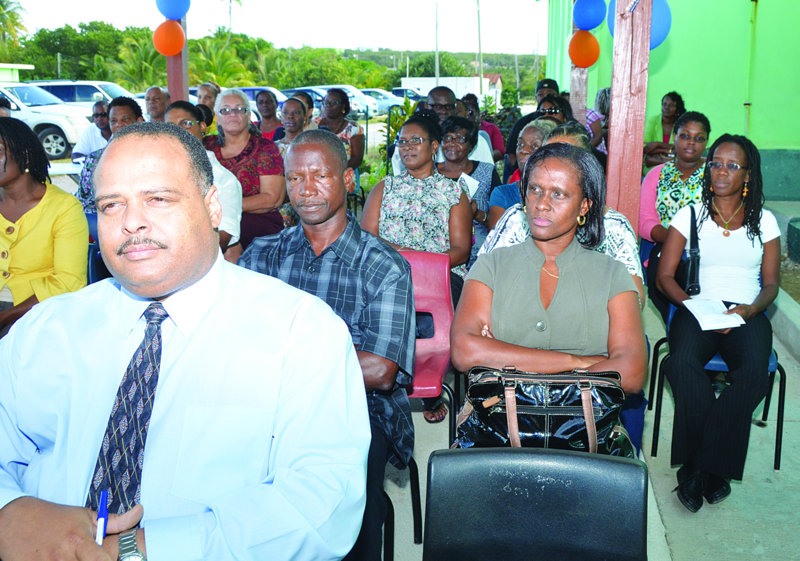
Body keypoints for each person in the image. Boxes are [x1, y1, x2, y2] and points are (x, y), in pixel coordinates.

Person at [0, 122, 371, 561]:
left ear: (213, 207)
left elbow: (321, 504)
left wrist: (132, 550)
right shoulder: (44, 330)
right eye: (111, 204)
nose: (132, 221)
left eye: (158, 198)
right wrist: (11, 513)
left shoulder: (299, 331)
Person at [240, 130, 415, 561]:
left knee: (345, 510)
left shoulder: (383, 265)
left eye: (320, 176)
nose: (306, 190)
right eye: (295, 178)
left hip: (354, 407)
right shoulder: (261, 257)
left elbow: (379, 370)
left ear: (349, 180)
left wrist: (280, 365)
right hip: (267, 404)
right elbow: (234, 344)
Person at [451, 142, 646, 400]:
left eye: (558, 194)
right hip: (500, 423)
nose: (542, 204)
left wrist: (500, 353)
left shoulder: (612, 274)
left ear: (585, 206)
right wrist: (580, 361)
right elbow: (465, 351)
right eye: (535, 189)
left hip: (582, 428)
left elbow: (631, 373)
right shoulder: (492, 265)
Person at [655, 134, 779, 513]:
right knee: (680, 364)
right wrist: (696, 307)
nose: (722, 170)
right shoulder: (690, 214)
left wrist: (749, 310)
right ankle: (713, 471)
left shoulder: (766, 221)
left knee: (755, 373)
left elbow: (771, 283)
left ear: (748, 175)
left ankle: (698, 468)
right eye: (717, 163)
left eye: (732, 165)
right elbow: (665, 277)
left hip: (747, 311)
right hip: (697, 306)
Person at [362, 113, 472, 424]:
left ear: (435, 146)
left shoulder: (454, 192)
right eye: (402, 141)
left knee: (420, 303)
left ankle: (425, 377)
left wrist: (420, 265)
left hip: (439, 277)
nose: (407, 147)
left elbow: (461, 250)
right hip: (389, 273)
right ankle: (387, 375)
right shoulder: (385, 187)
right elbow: (367, 237)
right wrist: (401, 261)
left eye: (416, 140)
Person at [0, 117, 87, 337]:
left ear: (25, 156)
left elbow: (69, 282)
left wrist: (4, 317)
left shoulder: (64, 208)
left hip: (36, 311)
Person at [639, 111, 711, 320]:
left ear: (706, 142)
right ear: (675, 137)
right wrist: (676, 240)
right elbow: (645, 222)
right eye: (685, 136)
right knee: (665, 283)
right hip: (665, 245)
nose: (691, 143)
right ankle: (681, 328)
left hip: (707, 248)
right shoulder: (656, 174)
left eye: (699, 138)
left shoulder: (715, 175)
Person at [203, 88, 285, 256]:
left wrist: (224, 207)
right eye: (225, 110)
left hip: (258, 224)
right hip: (210, 219)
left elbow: (272, 199)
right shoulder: (206, 146)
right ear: (217, 118)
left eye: (239, 109)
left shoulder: (265, 148)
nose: (232, 114)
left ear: (248, 116)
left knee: (229, 235)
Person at [165, 100, 242, 252]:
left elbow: (220, 241)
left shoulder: (224, 181)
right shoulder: (153, 171)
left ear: (202, 127)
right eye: (170, 127)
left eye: (186, 123)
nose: (178, 131)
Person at [436, 116, 501, 265]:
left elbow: (500, 222)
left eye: (460, 139)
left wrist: (477, 214)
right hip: (438, 249)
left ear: (471, 146)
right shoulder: (430, 173)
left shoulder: (487, 172)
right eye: (447, 138)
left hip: (480, 253)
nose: (452, 144)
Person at [76, 96, 144, 213]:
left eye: (125, 119)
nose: (119, 125)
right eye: (114, 121)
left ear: (139, 121)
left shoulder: (152, 157)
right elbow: (84, 201)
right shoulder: (95, 159)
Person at [488, 119, 557, 229]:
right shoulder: (503, 194)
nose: (523, 150)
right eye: (520, 144)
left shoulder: (559, 195)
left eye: (534, 146)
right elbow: (498, 241)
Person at [504, 78, 560, 170]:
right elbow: (511, 155)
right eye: (541, 94)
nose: (545, 97)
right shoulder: (522, 122)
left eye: (550, 94)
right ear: (536, 97)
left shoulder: (564, 124)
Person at [314, 88, 365, 173]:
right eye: (326, 102)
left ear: (343, 106)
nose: (329, 105)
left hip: (344, 173)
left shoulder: (354, 128)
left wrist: (336, 172)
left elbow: (357, 158)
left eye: (334, 103)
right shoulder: (313, 124)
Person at [644, 91, 685, 170]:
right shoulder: (653, 121)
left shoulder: (681, 125)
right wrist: (668, 151)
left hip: (673, 169)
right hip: (652, 168)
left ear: (677, 108)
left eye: (671, 105)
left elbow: (680, 149)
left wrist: (657, 144)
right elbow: (645, 147)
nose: (666, 107)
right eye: (664, 104)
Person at [462, 93, 505, 162]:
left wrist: (482, 158)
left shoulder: (490, 129)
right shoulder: (457, 130)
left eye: (471, 113)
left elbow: (500, 152)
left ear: (479, 113)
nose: (468, 116)